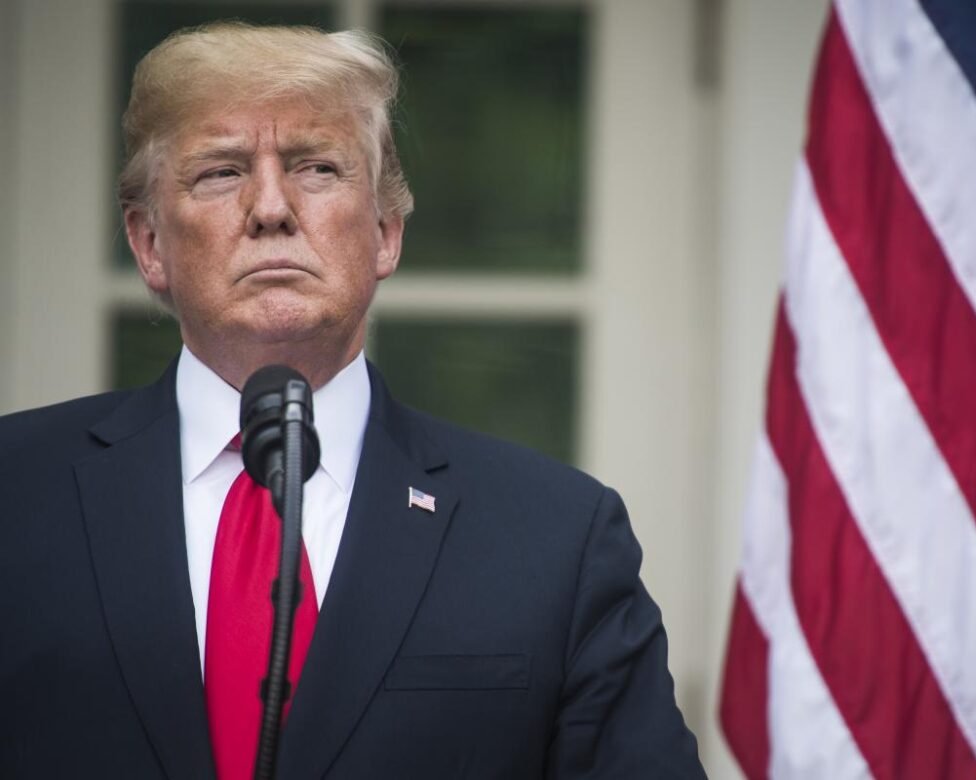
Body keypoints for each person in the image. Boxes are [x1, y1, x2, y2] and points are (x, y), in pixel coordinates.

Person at [0, 22, 703, 779]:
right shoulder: (14, 492)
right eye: (220, 172)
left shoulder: (556, 537)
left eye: (316, 168)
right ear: (148, 244)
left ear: (385, 234)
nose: (270, 207)